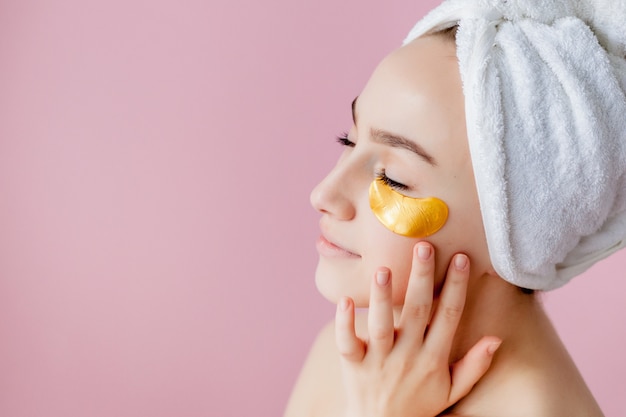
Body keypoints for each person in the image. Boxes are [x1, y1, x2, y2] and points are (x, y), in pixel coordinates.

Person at [285, 0, 626, 416]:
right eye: (349, 141)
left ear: (519, 230)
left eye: (393, 179)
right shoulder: (353, 353)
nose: (323, 194)